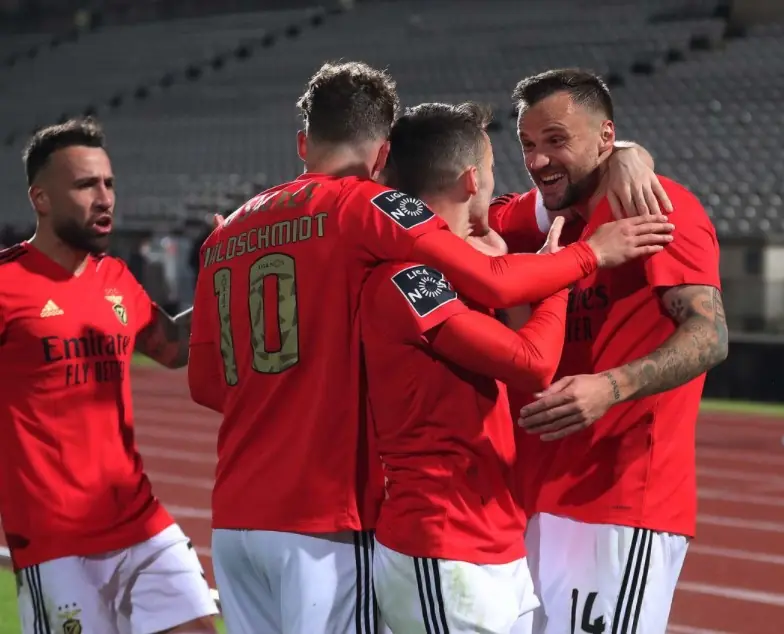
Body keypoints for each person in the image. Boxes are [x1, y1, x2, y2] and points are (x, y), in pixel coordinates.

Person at [187, 61, 674, 634]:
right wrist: (588, 255)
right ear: (381, 155)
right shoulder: (364, 207)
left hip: (236, 517)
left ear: (302, 143)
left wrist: (624, 153)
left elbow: (206, 384)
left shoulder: (226, 232)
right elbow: (495, 284)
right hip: (326, 515)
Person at [366, 102, 644, 634]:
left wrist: (627, 153)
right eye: (494, 169)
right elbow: (532, 363)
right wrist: (568, 268)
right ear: (473, 179)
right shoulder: (406, 277)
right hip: (440, 544)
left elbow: (520, 323)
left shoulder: (472, 261)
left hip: (495, 540)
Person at [490, 69, 729, 634]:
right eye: (527, 143)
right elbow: (459, 205)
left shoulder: (657, 208)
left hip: (620, 500)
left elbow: (710, 334)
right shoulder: (535, 220)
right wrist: (625, 153)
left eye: (556, 140)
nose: (538, 160)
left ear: (604, 136)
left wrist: (611, 387)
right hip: (528, 502)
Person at [0, 118, 218, 634]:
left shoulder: (114, 276)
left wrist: (227, 277)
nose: (104, 198)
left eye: (109, 183)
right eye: (85, 185)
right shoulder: (6, 283)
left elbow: (172, 348)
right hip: (56, 540)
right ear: (40, 199)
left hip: (140, 522)